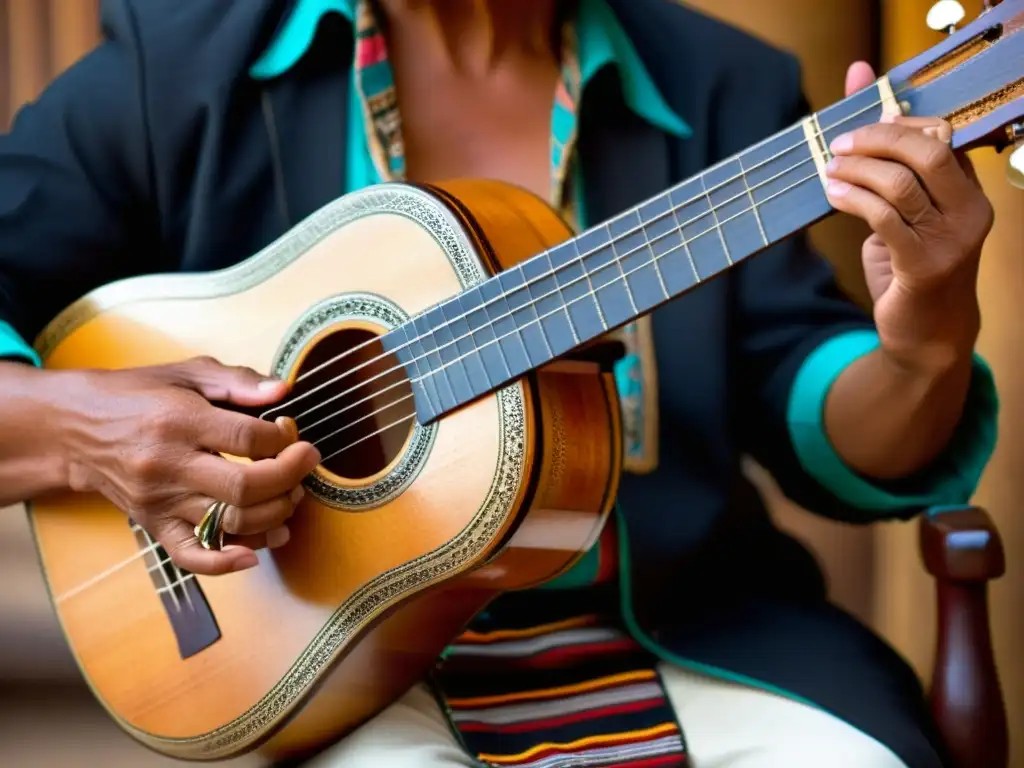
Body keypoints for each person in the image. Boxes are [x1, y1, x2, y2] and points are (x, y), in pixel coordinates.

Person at [0, 0, 1000, 766]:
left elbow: (813, 403)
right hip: (337, 659)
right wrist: (81, 429)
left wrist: (924, 338)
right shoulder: (182, 68)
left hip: (692, 633)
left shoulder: (719, 85)